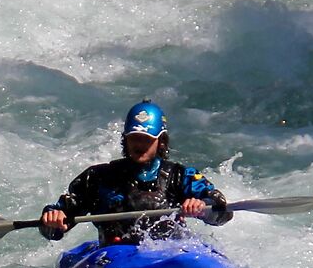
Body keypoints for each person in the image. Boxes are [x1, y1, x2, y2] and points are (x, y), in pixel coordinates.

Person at [39, 102, 233, 247]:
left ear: (161, 142)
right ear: (126, 139)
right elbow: (56, 224)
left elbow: (222, 213)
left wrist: (203, 207)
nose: (139, 145)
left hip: (170, 253)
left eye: (146, 139)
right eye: (134, 138)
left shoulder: (180, 176)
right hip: (116, 255)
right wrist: (53, 220)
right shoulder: (97, 177)